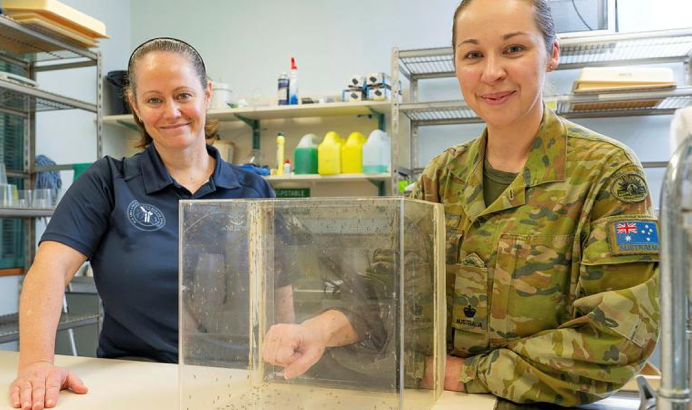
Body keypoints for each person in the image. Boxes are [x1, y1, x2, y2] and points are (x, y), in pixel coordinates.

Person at [262, 0, 660, 406]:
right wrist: (316, 331)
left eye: (513, 49)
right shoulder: (442, 176)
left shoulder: (605, 172)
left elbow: (614, 339)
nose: (491, 73)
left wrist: (461, 374)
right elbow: (384, 295)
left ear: (552, 53)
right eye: (473, 55)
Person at [8, 38, 279, 410]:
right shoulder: (109, 182)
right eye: (154, 100)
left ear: (207, 93)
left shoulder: (253, 190)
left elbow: (280, 294)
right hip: (133, 381)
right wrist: (37, 364)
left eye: (183, 95)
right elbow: (50, 268)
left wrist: (281, 365)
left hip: (237, 382)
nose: (172, 112)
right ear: (135, 106)